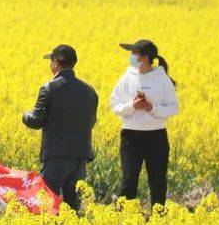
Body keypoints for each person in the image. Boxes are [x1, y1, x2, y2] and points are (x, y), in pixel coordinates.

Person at [20, 44, 98, 212]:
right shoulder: (90, 92)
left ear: (55, 62)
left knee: (48, 203)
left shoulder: (49, 88)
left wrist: (25, 115)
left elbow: (36, 121)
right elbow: (91, 122)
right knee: (74, 206)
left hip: (55, 157)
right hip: (80, 156)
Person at [109, 39, 179, 209]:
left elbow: (174, 108)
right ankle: (125, 217)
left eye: (135, 54)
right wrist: (133, 106)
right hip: (130, 136)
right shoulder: (127, 77)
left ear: (146, 57)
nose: (132, 57)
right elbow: (115, 105)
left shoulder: (162, 79)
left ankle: (159, 218)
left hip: (156, 136)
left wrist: (151, 108)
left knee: (157, 180)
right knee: (129, 179)